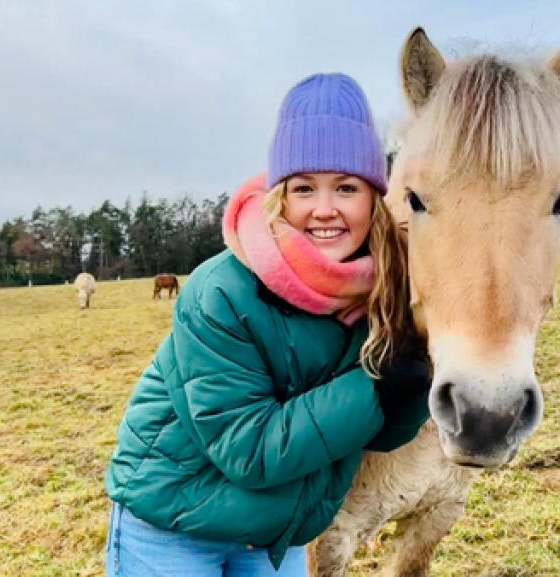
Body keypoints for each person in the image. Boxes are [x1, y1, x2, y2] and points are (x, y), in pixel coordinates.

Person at [104, 72, 431, 577]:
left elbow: (381, 435)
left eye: (346, 187)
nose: (325, 209)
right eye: (304, 188)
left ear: (374, 198)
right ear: (281, 196)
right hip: (173, 525)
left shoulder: (382, 290)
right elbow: (248, 449)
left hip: (273, 535)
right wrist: (379, 388)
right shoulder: (221, 292)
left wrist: (415, 376)